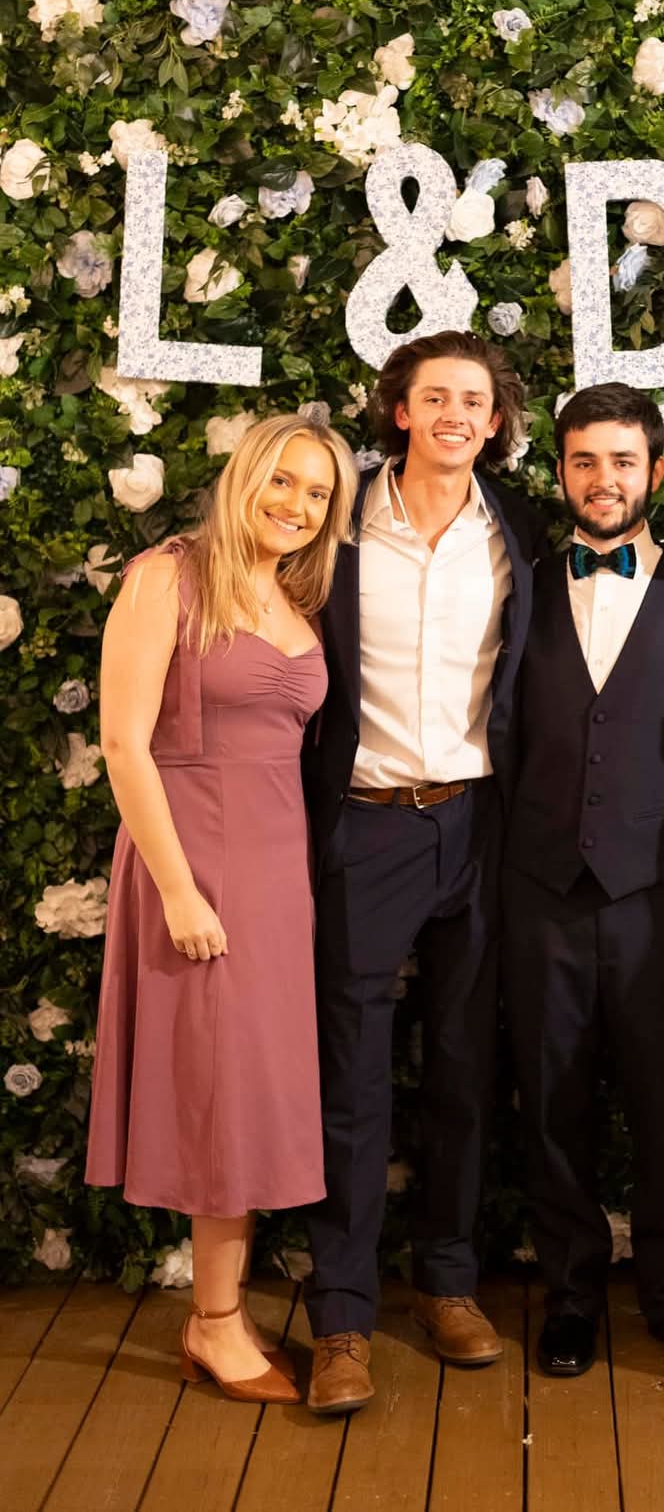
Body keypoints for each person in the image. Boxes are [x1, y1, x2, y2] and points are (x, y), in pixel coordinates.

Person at [86, 412, 358, 1405]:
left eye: (317, 493)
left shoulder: (299, 599)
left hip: (278, 875)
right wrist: (176, 886)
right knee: (213, 1090)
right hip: (193, 865)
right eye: (281, 481)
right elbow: (123, 742)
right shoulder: (169, 574)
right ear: (244, 479)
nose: (296, 504)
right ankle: (213, 1321)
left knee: (248, 1090)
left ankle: (221, 1306)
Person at [301, 330, 549, 1415]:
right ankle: (343, 1315)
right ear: (398, 409)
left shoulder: (520, 528)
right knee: (351, 1078)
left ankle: (449, 1280)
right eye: (434, 396)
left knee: (461, 1063)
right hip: (364, 827)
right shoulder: (337, 523)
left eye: (475, 399)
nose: (455, 413)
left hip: (479, 822)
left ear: (497, 421)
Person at [502, 383, 664, 1380]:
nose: (604, 479)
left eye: (623, 460)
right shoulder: (517, 586)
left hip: (657, 896)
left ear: (656, 470)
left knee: (662, 1099)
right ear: (560, 471)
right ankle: (571, 1296)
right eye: (585, 460)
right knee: (552, 1102)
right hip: (538, 887)